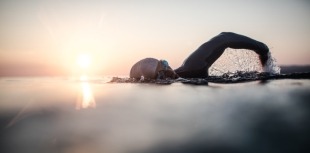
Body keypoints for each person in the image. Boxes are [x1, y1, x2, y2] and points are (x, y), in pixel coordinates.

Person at [130, 32, 269, 79]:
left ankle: (263, 50)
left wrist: (263, 51)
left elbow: (225, 37)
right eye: (163, 72)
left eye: (165, 66)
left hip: (191, 70)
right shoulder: (193, 68)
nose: (168, 71)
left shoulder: (192, 67)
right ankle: (263, 50)